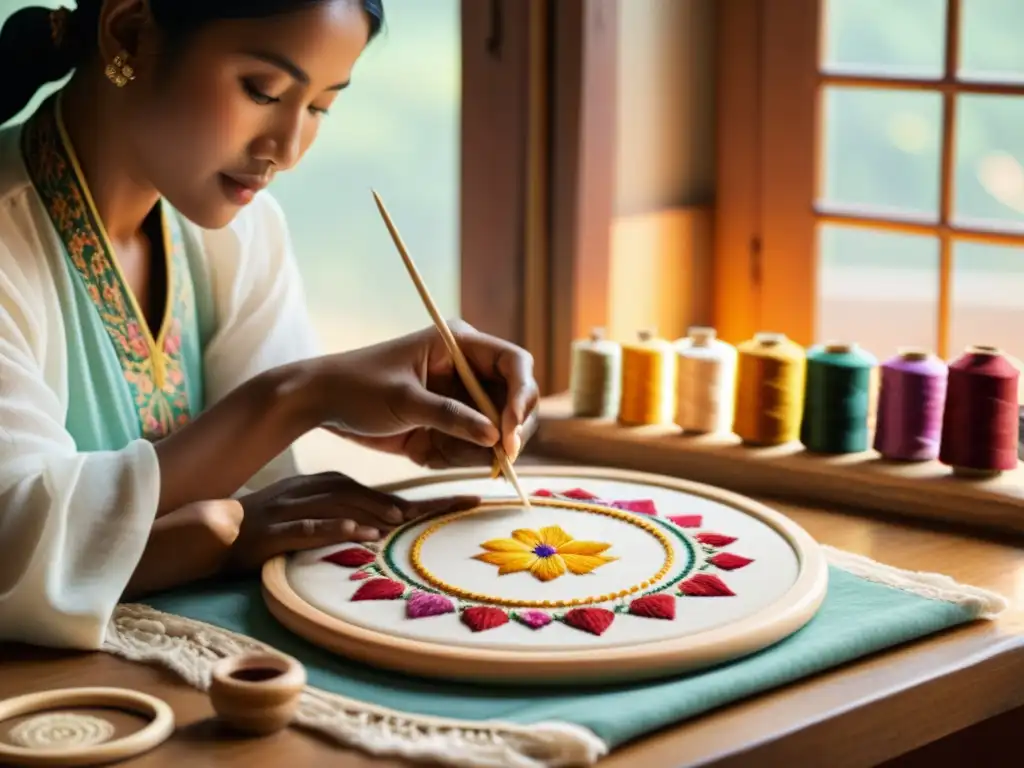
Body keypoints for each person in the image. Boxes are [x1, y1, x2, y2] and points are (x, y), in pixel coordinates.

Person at [0, 0, 539, 650]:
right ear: (131, 31)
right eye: (263, 90)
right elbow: (16, 548)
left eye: (319, 108)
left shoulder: (244, 232)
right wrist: (304, 398)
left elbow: (259, 498)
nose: (286, 150)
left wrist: (357, 410)